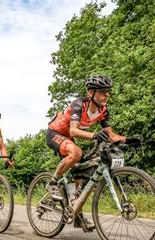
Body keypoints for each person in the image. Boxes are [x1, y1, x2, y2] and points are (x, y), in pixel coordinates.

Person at [46, 74, 141, 231]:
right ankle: (53, 182)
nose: (107, 94)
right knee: (76, 153)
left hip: (68, 138)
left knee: (80, 177)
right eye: (103, 91)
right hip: (55, 133)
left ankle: (77, 215)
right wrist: (95, 135)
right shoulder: (79, 104)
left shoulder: (103, 110)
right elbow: (74, 130)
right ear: (91, 93)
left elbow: (111, 136)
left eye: (108, 91)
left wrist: (127, 140)